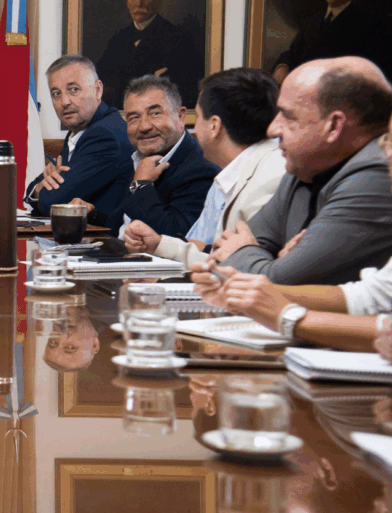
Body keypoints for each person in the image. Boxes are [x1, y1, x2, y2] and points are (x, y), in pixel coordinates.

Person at [192, 62, 392, 351]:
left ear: (334, 125)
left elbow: (279, 277)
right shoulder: (304, 166)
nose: (272, 129)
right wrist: (243, 284)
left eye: (287, 116)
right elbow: (371, 295)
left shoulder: (374, 173)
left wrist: (278, 303)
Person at [124, 68, 286, 265]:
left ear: (214, 126)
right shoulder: (226, 179)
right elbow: (209, 254)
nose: (195, 128)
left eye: (198, 117)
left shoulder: (271, 178)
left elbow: (245, 269)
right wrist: (158, 244)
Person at [75, 74, 218, 237]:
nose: (143, 127)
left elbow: (173, 238)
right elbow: (124, 224)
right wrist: (93, 215)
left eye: (155, 113)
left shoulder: (201, 169)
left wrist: (142, 185)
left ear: (180, 116)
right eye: (134, 117)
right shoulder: (140, 158)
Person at [24, 55, 134, 221]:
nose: (64, 102)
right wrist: (39, 187)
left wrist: (40, 191)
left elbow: (54, 203)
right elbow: (36, 189)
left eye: (74, 90)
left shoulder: (105, 134)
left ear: (98, 90)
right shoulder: (80, 131)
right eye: (56, 93)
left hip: (109, 242)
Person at [273, 0, 391, 85]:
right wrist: (283, 65)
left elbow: (377, 68)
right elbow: (294, 52)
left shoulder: (368, 24)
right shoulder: (312, 23)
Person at [95, 0, 201, 109]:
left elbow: (185, 94)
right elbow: (102, 86)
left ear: (157, 1)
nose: (139, 3)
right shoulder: (117, 40)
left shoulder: (179, 40)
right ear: (127, 1)